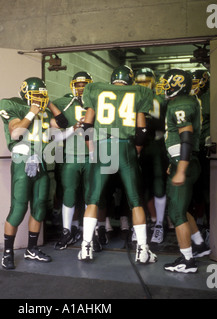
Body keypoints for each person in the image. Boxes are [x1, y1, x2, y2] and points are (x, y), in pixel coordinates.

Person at [78, 65, 157, 264]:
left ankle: (86, 247)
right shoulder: (139, 92)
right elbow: (142, 131)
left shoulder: (95, 89)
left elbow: (87, 125)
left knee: (93, 198)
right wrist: (135, 152)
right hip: (125, 146)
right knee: (135, 200)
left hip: (103, 144)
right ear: (129, 79)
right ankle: (142, 249)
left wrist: (92, 150)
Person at [0, 77, 69, 270]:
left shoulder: (44, 112)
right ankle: (7, 253)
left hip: (42, 163)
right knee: (18, 209)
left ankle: (31, 249)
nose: (38, 99)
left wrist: (50, 104)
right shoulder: (14, 105)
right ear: (25, 94)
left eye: (42, 95)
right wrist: (31, 111)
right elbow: (15, 133)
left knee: (39, 209)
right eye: (35, 94)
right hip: (23, 161)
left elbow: (62, 122)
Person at [156, 69, 210, 273]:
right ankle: (199, 244)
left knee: (176, 212)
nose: (164, 87)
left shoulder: (181, 104)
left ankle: (187, 261)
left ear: (177, 84)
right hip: (182, 160)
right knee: (181, 207)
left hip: (184, 162)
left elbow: (186, 137)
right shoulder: (185, 101)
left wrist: (181, 168)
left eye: (167, 83)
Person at [52, 71, 93, 250]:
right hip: (71, 155)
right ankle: (67, 231)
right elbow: (54, 135)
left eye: (85, 85)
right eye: (78, 85)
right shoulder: (63, 103)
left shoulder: (98, 101)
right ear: (72, 86)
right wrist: (72, 128)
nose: (81, 88)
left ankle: (89, 233)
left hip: (92, 155)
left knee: (90, 195)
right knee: (69, 194)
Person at [134, 68, 168, 244]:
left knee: (158, 186)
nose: (143, 85)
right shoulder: (131, 99)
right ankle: (143, 223)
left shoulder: (160, 100)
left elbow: (163, 127)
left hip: (155, 146)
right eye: (139, 82)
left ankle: (160, 224)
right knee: (138, 188)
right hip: (137, 146)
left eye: (146, 81)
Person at [190, 69, 211, 232]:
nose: (193, 87)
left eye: (196, 83)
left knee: (207, 187)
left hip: (207, 148)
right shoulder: (190, 99)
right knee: (195, 187)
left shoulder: (208, 98)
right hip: (194, 147)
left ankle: (210, 223)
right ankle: (198, 218)